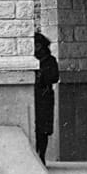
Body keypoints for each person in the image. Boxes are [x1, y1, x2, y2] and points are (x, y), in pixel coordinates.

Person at [34, 31, 59, 163]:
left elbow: (54, 77)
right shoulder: (33, 60)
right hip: (36, 96)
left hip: (44, 96)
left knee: (43, 129)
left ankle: (41, 155)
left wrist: (42, 76)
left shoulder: (50, 60)